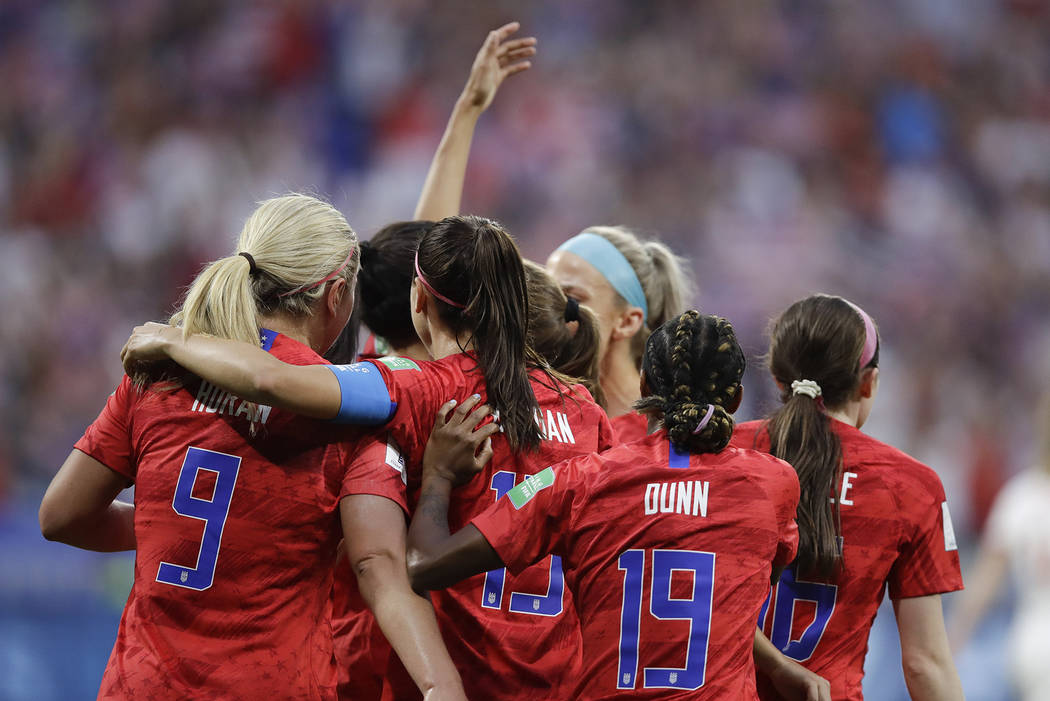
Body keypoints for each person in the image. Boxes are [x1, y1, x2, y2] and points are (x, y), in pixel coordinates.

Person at [120, 214, 615, 701]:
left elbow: (273, 380)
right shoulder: (586, 411)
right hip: (558, 682)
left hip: (454, 674)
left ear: (418, 299)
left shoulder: (421, 388)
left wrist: (173, 338)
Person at [39, 195, 464, 700]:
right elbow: (377, 562)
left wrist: (170, 521)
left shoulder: (160, 374)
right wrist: (441, 686)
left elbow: (61, 515)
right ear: (335, 296)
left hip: (141, 686)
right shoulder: (349, 409)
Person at [405, 310, 816, 699]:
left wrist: (438, 475)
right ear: (737, 398)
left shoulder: (581, 480)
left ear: (644, 386)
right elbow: (750, 586)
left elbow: (426, 565)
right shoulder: (775, 483)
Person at [409, 23, 694, 441]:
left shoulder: (672, 433)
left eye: (573, 297)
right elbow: (433, 261)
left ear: (628, 321)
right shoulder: (527, 391)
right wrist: (469, 109)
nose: (546, 305)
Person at [731, 294, 964, 700]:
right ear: (868, 382)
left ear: (777, 377)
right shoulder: (910, 487)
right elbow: (924, 664)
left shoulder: (726, 454)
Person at [950, 392, 1050, 701]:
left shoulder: (1021, 496)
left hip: (1033, 644)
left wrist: (951, 643)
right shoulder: (1022, 497)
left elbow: (982, 586)